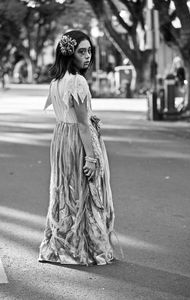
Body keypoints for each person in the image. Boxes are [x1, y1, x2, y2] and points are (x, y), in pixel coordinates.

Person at [38, 30, 115, 266]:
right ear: (69, 53)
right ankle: (86, 248)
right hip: (78, 142)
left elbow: (72, 115)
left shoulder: (56, 81)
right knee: (86, 192)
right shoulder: (77, 80)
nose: (88, 56)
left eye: (89, 50)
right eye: (82, 51)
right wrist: (91, 158)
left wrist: (89, 117)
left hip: (61, 140)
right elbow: (81, 124)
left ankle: (60, 245)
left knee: (65, 192)